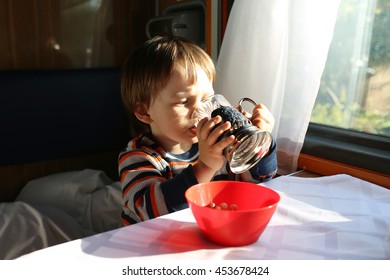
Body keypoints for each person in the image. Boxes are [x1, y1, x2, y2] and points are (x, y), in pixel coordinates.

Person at [119, 36, 277, 225]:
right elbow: (153, 212)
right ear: (145, 112)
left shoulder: (217, 143)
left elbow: (258, 180)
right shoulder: (138, 158)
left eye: (206, 98)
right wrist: (206, 166)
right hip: (151, 246)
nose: (200, 111)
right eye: (184, 101)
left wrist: (259, 144)